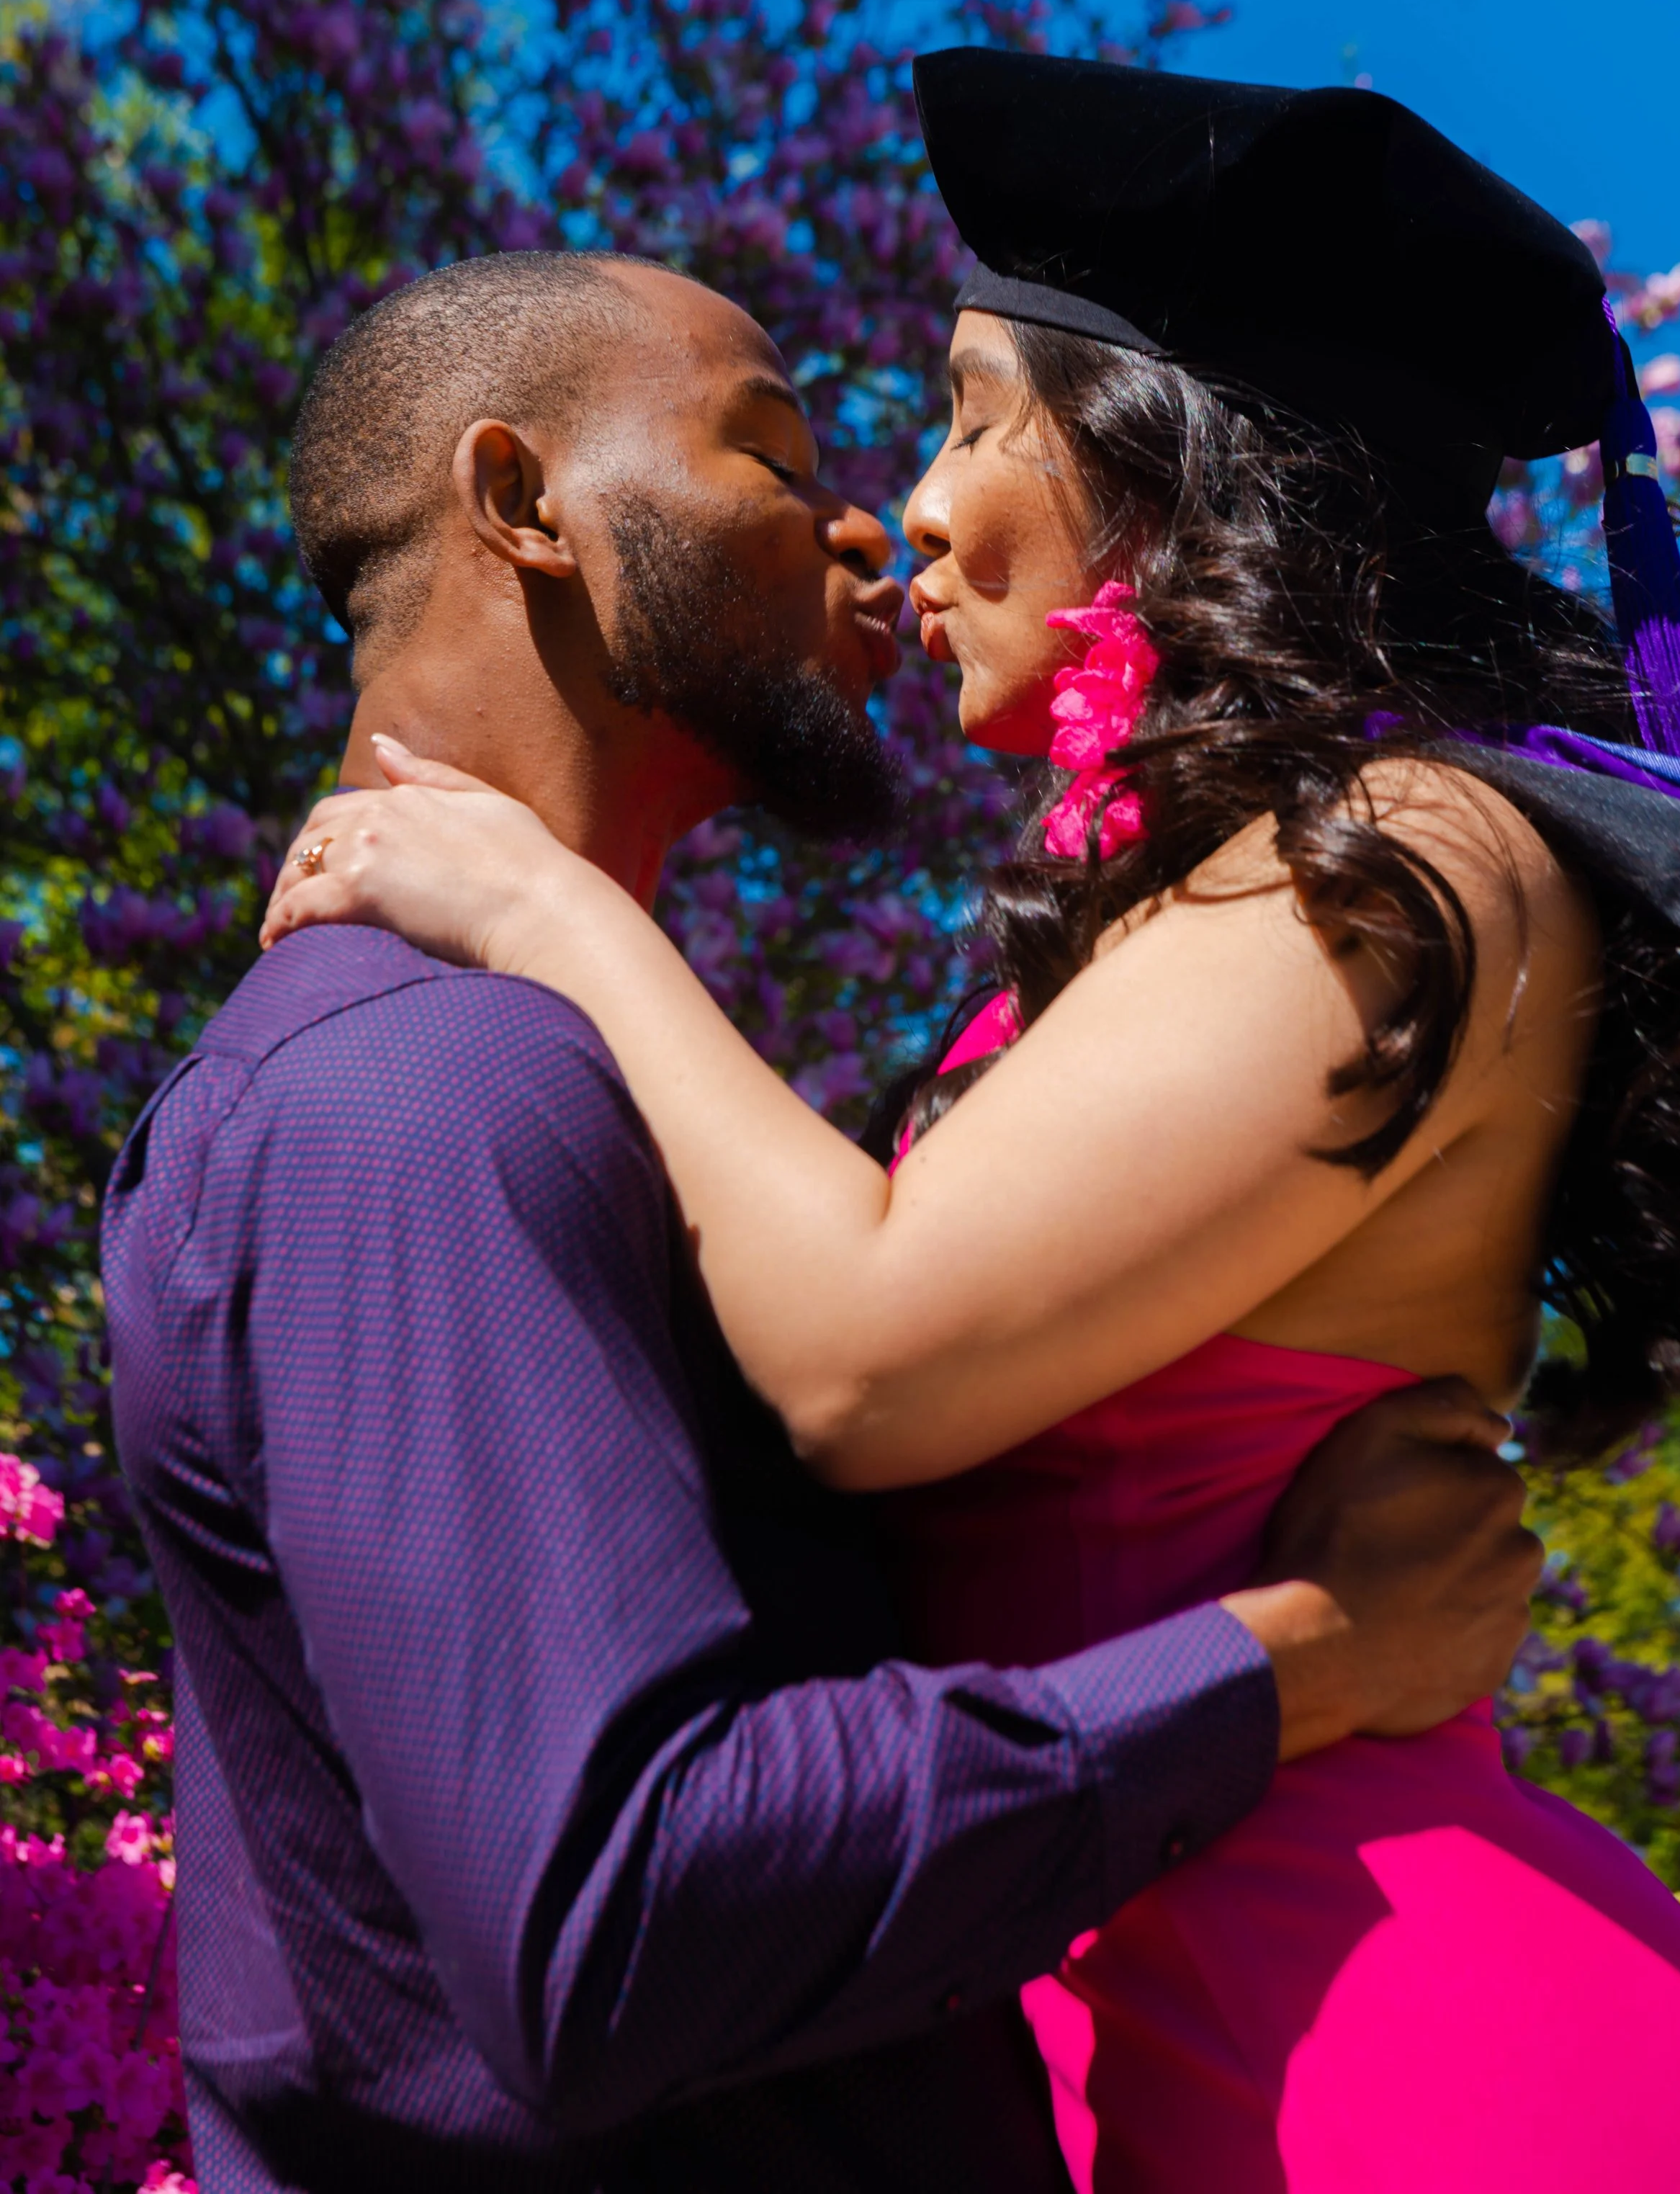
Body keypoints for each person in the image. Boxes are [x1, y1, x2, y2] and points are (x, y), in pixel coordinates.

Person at [264, 55, 1680, 2192]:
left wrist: (543, 906)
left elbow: (867, 1352)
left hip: (1398, 2048)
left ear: (1168, 462)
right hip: (1130, 2001)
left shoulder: (1404, 850)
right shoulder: (1183, 913)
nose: (909, 498)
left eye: (975, 410)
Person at [102, 246, 1538, 2194]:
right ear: (525, 502)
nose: (874, 514)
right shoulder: (431, 1096)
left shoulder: (527, 1071)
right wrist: (1295, 1654)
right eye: (769, 452)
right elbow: (623, 1918)